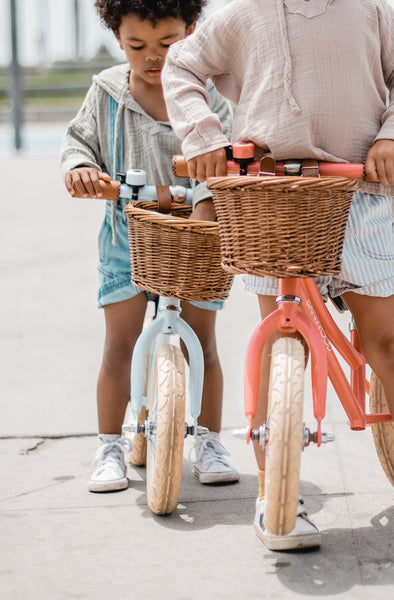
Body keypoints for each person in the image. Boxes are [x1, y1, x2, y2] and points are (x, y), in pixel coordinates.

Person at [162, 0, 394, 550]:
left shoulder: (369, 11)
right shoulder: (241, 14)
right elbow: (182, 66)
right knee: (275, 346)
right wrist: (205, 137)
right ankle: (274, 493)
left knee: (389, 342)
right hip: (272, 197)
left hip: (359, 189)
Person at [60, 0, 239, 494]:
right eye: (137, 46)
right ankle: (109, 444)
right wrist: (80, 168)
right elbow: (79, 142)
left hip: (197, 238)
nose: (153, 58)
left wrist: (209, 204)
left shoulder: (208, 98)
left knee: (201, 342)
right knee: (119, 346)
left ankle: (208, 438)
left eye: (168, 44)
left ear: (193, 31)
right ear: (118, 37)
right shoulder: (109, 92)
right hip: (128, 238)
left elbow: (232, 155)